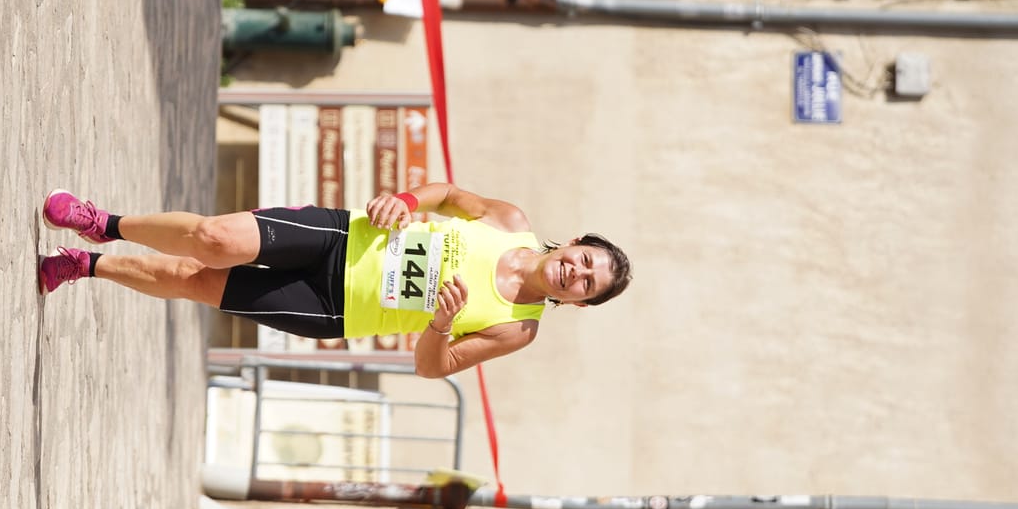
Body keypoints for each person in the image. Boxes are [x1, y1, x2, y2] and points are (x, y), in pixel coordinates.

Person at [37, 184, 631, 377]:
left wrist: (442, 324)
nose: (577, 273)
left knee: (196, 283)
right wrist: (402, 199)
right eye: (585, 261)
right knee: (214, 240)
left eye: (586, 284)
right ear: (575, 243)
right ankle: (104, 225)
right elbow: (447, 194)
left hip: (333, 306)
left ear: (576, 302)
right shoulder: (510, 222)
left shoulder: (518, 330)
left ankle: (85, 266)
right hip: (345, 237)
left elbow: (433, 367)